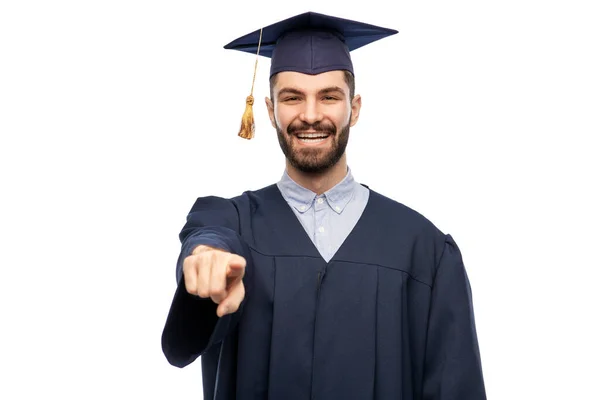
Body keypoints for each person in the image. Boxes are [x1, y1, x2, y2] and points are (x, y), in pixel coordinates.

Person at [161, 11, 487, 400]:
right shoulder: (229, 224)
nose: (311, 115)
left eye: (329, 96)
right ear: (269, 111)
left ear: (356, 107)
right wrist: (203, 263)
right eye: (292, 97)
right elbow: (206, 244)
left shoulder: (425, 250)